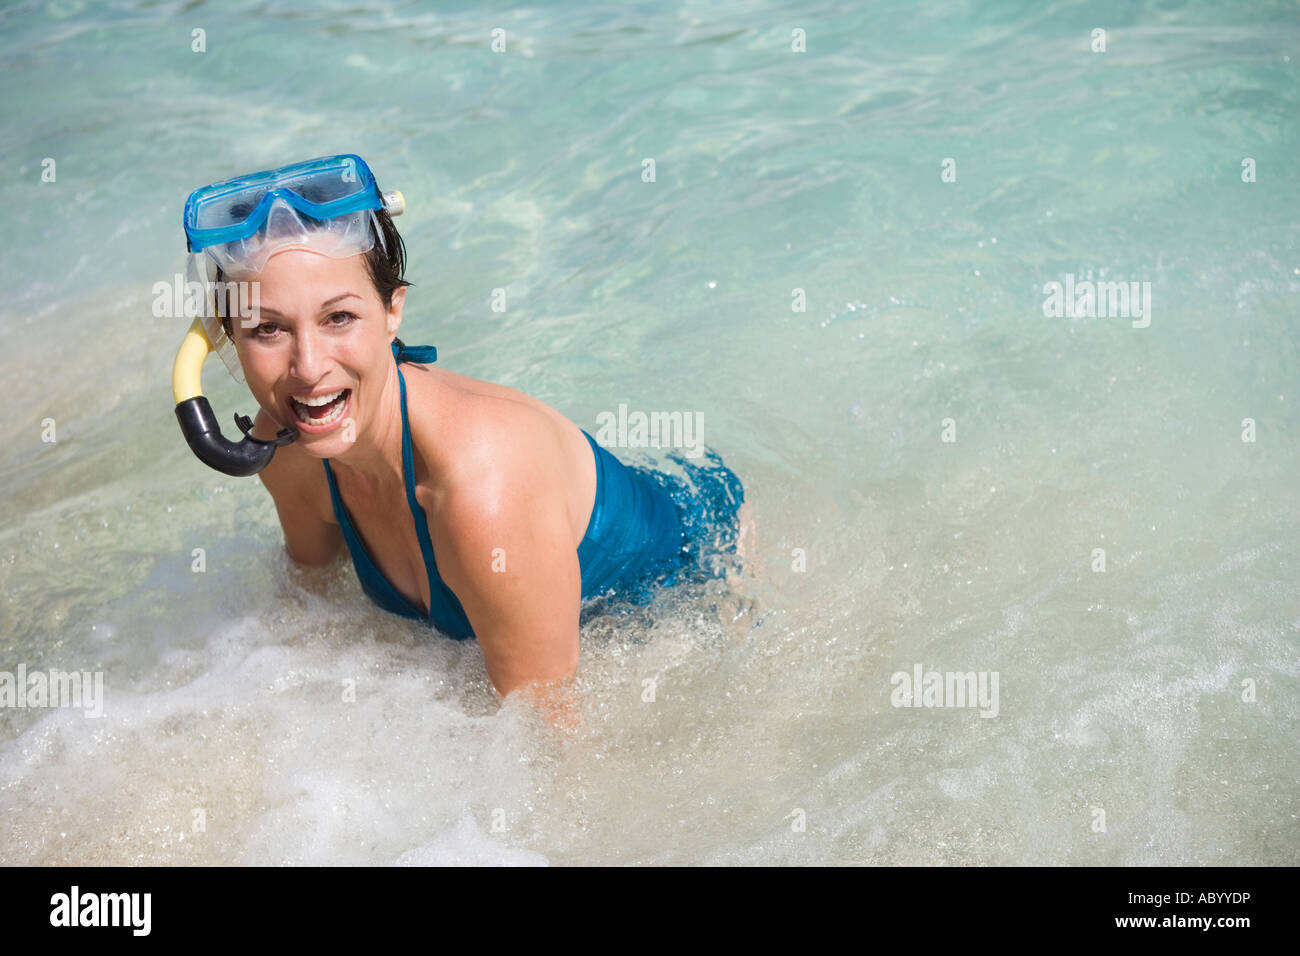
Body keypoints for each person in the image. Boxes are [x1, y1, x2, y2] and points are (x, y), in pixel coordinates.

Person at [180, 154, 747, 723]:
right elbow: (310, 603)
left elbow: (556, 743)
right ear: (225, 338)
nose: (308, 367)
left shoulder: (481, 497)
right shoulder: (285, 447)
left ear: (392, 310)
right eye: (269, 329)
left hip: (706, 572)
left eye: (339, 318)